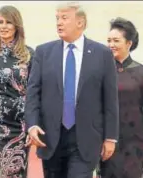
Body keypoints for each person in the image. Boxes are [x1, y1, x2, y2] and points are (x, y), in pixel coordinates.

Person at [24, 2, 119, 178]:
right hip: (50, 138)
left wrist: (110, 137)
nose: (59, 23)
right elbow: (33, 93)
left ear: (80, 23)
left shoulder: (102, 54)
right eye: (57, 18)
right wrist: (32, 124)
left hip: (86, 138)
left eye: (64, 18)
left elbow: (110, 100)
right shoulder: (43, 52)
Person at [96, 17, 143, 178]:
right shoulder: (101, 71)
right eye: (108, 40)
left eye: (116, 40)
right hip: (109, 139)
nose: (111, 45)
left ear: (129, 43)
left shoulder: (141, 72)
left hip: (135, 139)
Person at [0, 5, 34, 178]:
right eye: (0, 22)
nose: (3, 26)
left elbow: (34, 92)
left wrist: (33, 124)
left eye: (8, 22)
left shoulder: (29, 55)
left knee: (17, 171)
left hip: (21, 125)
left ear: (17, 25)